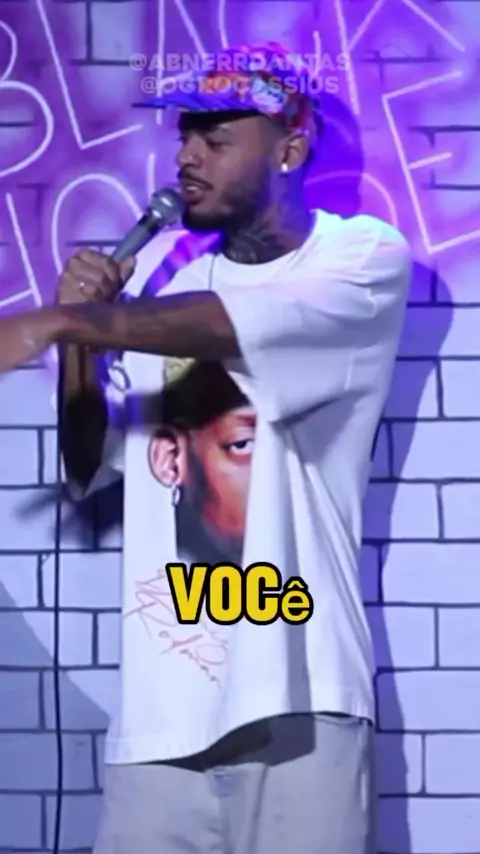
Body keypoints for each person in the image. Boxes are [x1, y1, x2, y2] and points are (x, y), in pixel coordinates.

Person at [0, 42, 412, 854]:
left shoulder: (360, 257)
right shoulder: (160, 275)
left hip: (299, 700)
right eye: (185, 135)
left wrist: (69, 322)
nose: (187, 156)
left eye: (217, 138)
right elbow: (88, 468)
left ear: (290, 148)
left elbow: (247, 325)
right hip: (161, 718)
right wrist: (81, 340)